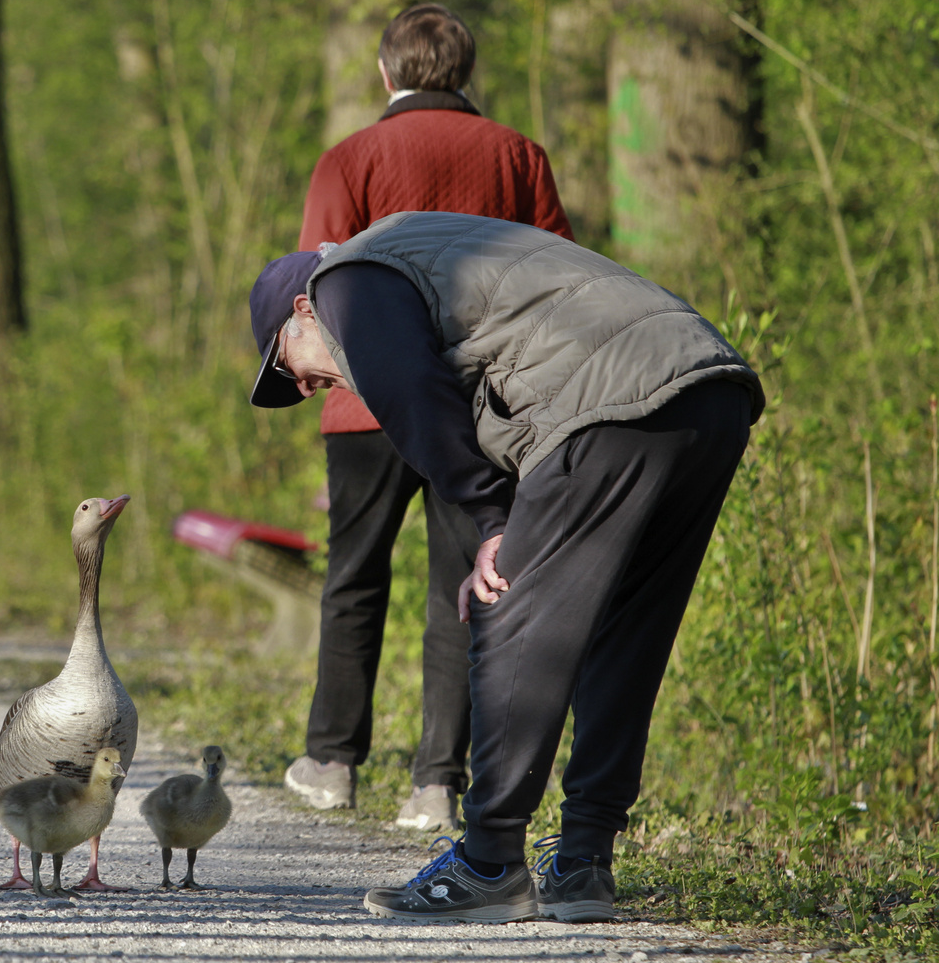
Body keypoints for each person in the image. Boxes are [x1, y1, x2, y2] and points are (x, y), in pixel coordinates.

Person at [248, 211, 763, 923]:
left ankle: (490, 861)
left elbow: (414, 401)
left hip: (609, 401)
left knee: (509, 612)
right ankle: (583, 861)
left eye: (286, 367)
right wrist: (499, 518)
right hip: (709, 388)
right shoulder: (421, 252)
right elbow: (484, 403)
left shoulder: (346, 279)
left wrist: (494, 525)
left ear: (303, 309)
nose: (304, 389)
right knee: (627, 631)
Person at [285, 2, 573, 834]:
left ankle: (333, 761)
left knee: (353, 580)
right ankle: (436, 784)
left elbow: (314, 283)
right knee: (467, 584)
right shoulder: (517, 155)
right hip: (481, 406)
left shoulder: (349, 158)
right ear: (467, 74)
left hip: (364, 403)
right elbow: (553, 275)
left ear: (385, 75)